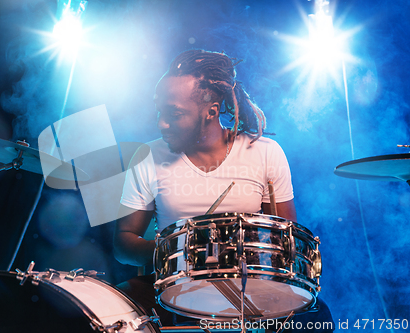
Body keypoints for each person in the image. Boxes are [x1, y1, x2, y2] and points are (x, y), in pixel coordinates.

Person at [114, 49, 334, 332]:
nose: (161, 123)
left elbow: (285, 248)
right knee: (111, 311)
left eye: (174, 114)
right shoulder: (148, 156)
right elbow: (123, 243)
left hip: (251, 288)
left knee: (316, 320)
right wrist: (181, 250)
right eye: (160, 111)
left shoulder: (265, 152)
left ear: (211, 112)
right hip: (176, 289)